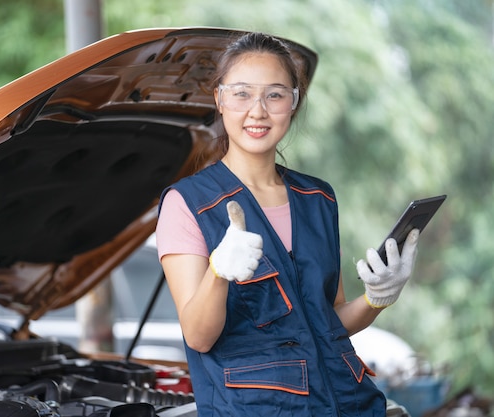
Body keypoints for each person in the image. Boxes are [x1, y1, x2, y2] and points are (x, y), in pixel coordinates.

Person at [155, 31, 419, 416]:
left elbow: (329, 321)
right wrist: (218, 272)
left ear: (293, 104)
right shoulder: (187, 203)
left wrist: (377, 298)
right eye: (242, 93)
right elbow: (198, 336)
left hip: (348, 404)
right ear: (220, 99)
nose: (258, 111)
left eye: (275, 94)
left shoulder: (319, 199)